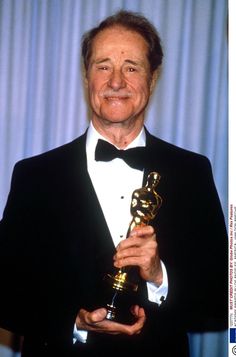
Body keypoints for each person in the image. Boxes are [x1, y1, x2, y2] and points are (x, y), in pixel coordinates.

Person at [0, 10, 227, 357]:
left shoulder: (192, 172)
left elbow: (221, 297)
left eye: (131, 67)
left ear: (152, 79)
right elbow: (7, 293)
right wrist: (73, 323)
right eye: (103, 65)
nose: (116, 82)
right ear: (86, 76)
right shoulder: (33, 175)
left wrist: (159, 276)